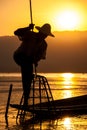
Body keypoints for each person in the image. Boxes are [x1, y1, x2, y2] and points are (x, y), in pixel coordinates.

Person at [13, 23, 54, 106]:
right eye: (43, 34)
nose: (44, 36)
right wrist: (28, 28)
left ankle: (26, 99)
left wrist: (35, 61)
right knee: (27, 70)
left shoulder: (44, 45)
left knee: (28, 75)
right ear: (40, 32)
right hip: (19, 56)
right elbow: (16, 32)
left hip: (28, 61)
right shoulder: (30, 34)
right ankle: (25, 100)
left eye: (45, 35)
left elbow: (40, 56)